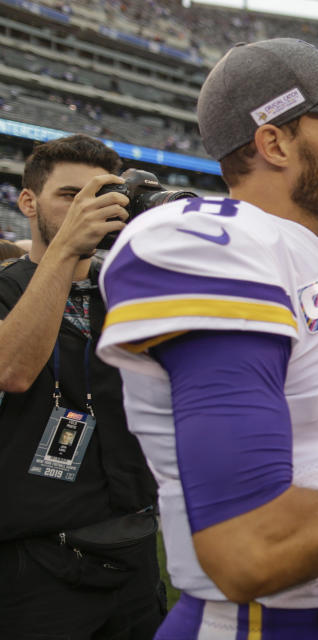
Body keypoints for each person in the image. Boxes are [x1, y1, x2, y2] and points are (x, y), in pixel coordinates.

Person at [95, 38, 318, 639]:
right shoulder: (216, 248)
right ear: (274, 142)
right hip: (261, 622)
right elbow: (250, 545)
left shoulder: (292, 246)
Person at [0, 134, 164, 638]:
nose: (86, 210)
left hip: (134, 548)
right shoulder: (5, 287)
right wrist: (67, 246)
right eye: (70, 196)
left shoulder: (130, 289)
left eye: (100, 198)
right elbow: (13, 369)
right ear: (28, 202)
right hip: (36, 561)